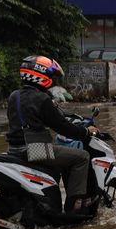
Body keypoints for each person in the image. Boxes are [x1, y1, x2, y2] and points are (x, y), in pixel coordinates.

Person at [6, 55, 100, 216]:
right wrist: (85, 131)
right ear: (41, 76)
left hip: (13, 149)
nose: (52, 80)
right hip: (35, 149)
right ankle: (74, 206)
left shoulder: (14, 96)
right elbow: (61, 126)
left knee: (59, 165)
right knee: (82, 157)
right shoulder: (42, 98)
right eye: (50, 76)